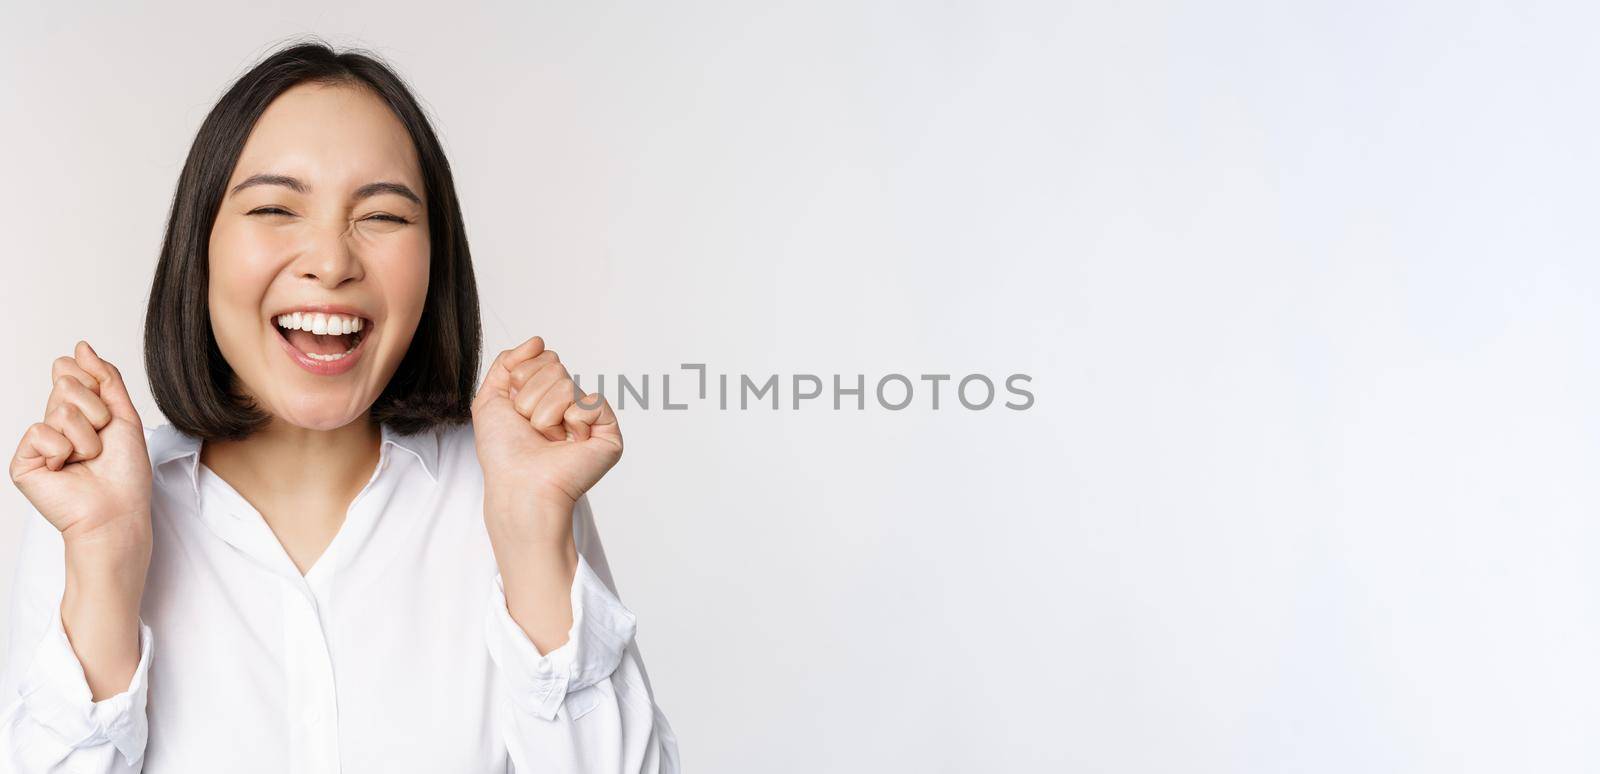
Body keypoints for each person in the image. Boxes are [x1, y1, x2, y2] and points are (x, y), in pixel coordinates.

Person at [0, 41, 679, 773]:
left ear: (434, 261)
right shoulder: (93, 512)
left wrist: (534, 540)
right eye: (273, 208)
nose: (331, 260)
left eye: (382, 216)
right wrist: (106, 566)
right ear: (199, 247)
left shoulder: (517, 490)